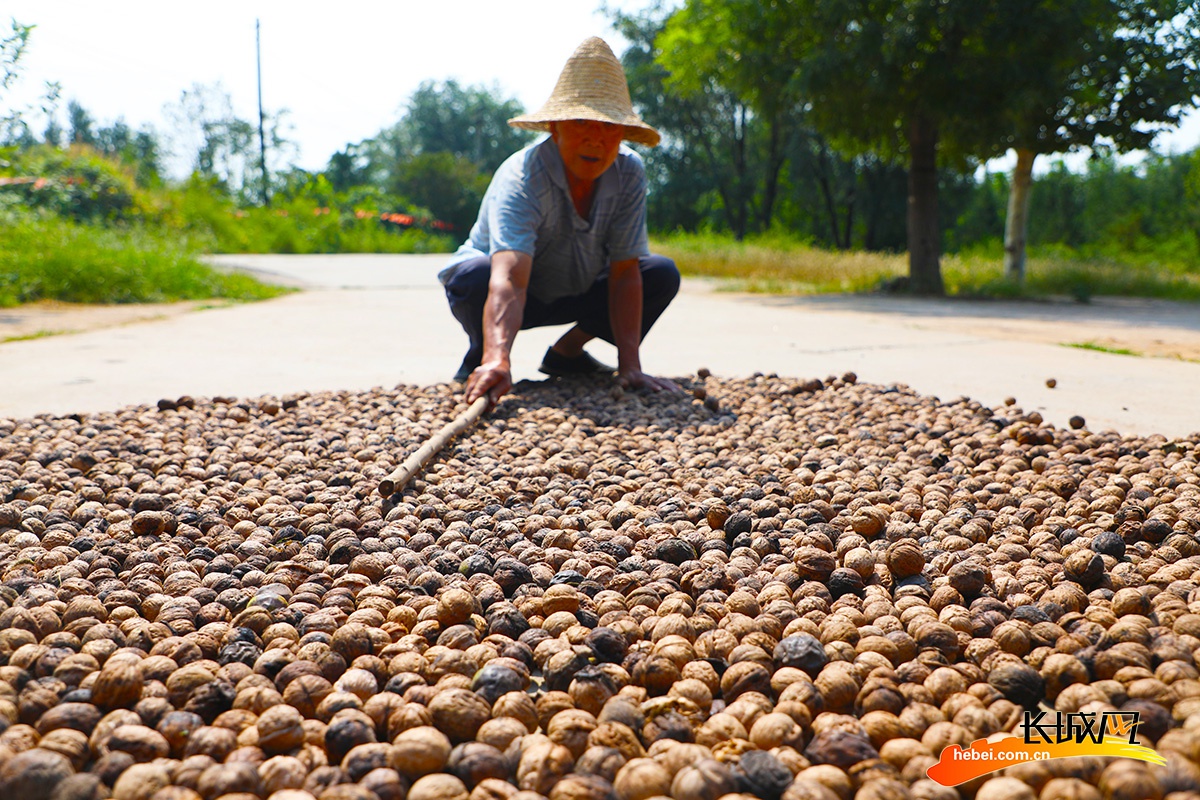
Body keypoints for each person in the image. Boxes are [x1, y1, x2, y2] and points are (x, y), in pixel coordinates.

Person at [437, 37, 682, 409]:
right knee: (474, 275)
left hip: (579, 289)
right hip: (517, 293)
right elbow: (509, 279)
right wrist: (498, 358)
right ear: (555, 126)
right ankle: (486, 356)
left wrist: (630, 366)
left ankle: (567, 353)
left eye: (609, 127)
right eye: (582, 122)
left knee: (659, 273)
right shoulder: (524, 176)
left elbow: (625, 272)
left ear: (622, 133)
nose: (595, 140)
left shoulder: (629, 172)